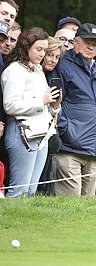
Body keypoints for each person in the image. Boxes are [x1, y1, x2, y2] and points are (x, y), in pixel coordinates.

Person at [54, 23, 96, 196]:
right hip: (69, 149)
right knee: (69, 205)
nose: (91, 47)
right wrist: (66, 130)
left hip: (94, 151)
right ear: (75, 42)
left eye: (95, 44)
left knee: (86, 208)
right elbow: (55, 103)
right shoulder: (63, 65)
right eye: (87, 42)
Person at [2, 27, 61, 197]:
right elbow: (10, 106)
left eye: (44, 50)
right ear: (26, 47)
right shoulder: (14, 70)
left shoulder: (37, 69)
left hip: (41, 132)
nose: (42, 54)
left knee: (31, 191)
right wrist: (41, 101)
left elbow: (44, 104)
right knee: (19, 190)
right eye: (39, 49)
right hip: (21, 131)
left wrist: (54, 104)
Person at [36, 36, 65, 195]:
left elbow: (53, 111)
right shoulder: (32, 74)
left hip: (49, 133)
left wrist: (55, 105)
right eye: (50, 55)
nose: (53, 60)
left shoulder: (52, 76)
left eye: (57, 57)